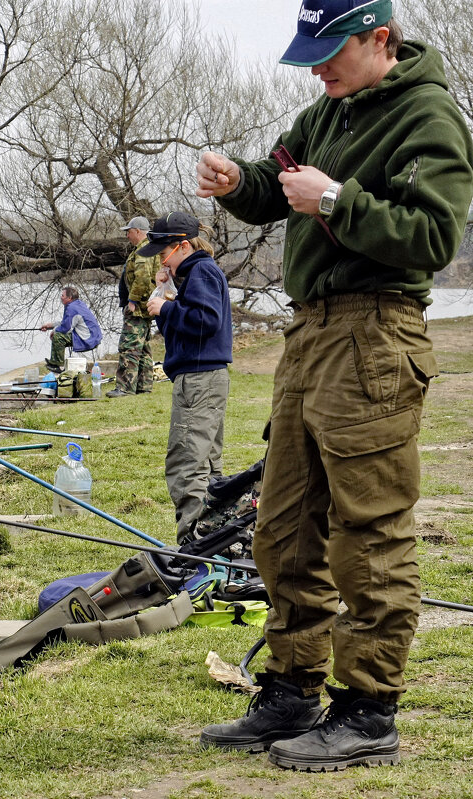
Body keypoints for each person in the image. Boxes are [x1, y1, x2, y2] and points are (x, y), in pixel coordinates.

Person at [195, 0, 473, 772]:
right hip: (309, 333)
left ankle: (368, 711)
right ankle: (291, 688)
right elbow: (273, 184)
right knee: (282, 525)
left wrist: (337, 201)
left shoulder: (430, 115)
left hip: (377, 331)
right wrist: (235, 182)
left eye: (329, 52)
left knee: (370, 530)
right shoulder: (325, 111)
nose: (316, 68)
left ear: (379, 39)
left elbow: (434, 236)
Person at [142, 212, 232, 545]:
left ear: (182, 246)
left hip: (199, 380)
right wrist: (166, 293)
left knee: (186, 464)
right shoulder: (190, 277)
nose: (160, 261)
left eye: (163, 253)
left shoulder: (202, 271)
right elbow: (180, 330)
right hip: (197, 378)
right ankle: (216, 538)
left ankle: (192, 546)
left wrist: (165, 309)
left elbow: (206, 321)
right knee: (207, 465)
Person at [107, 217, 160, 397]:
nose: (127, 235)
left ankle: (124, 388)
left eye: (128, 231)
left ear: (138, 231)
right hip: (146, 307)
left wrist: (133, 300)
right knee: (143, 347)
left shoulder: (144, 250)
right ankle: (144, 387)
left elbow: (143, 277)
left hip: (137, 308)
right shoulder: (148, 248)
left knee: (129, 346)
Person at [39, 285, 102, 375]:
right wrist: (50, 325)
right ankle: (54, 362)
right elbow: (66, 323)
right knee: (58, 333)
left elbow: (66, 328)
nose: (61, 297)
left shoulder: (72, 308)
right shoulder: (77, 304)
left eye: (63, 296)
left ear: (69, 297)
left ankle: (59, 366)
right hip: (93, 336)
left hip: (88, 339)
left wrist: (54, 331)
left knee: (58, 336)